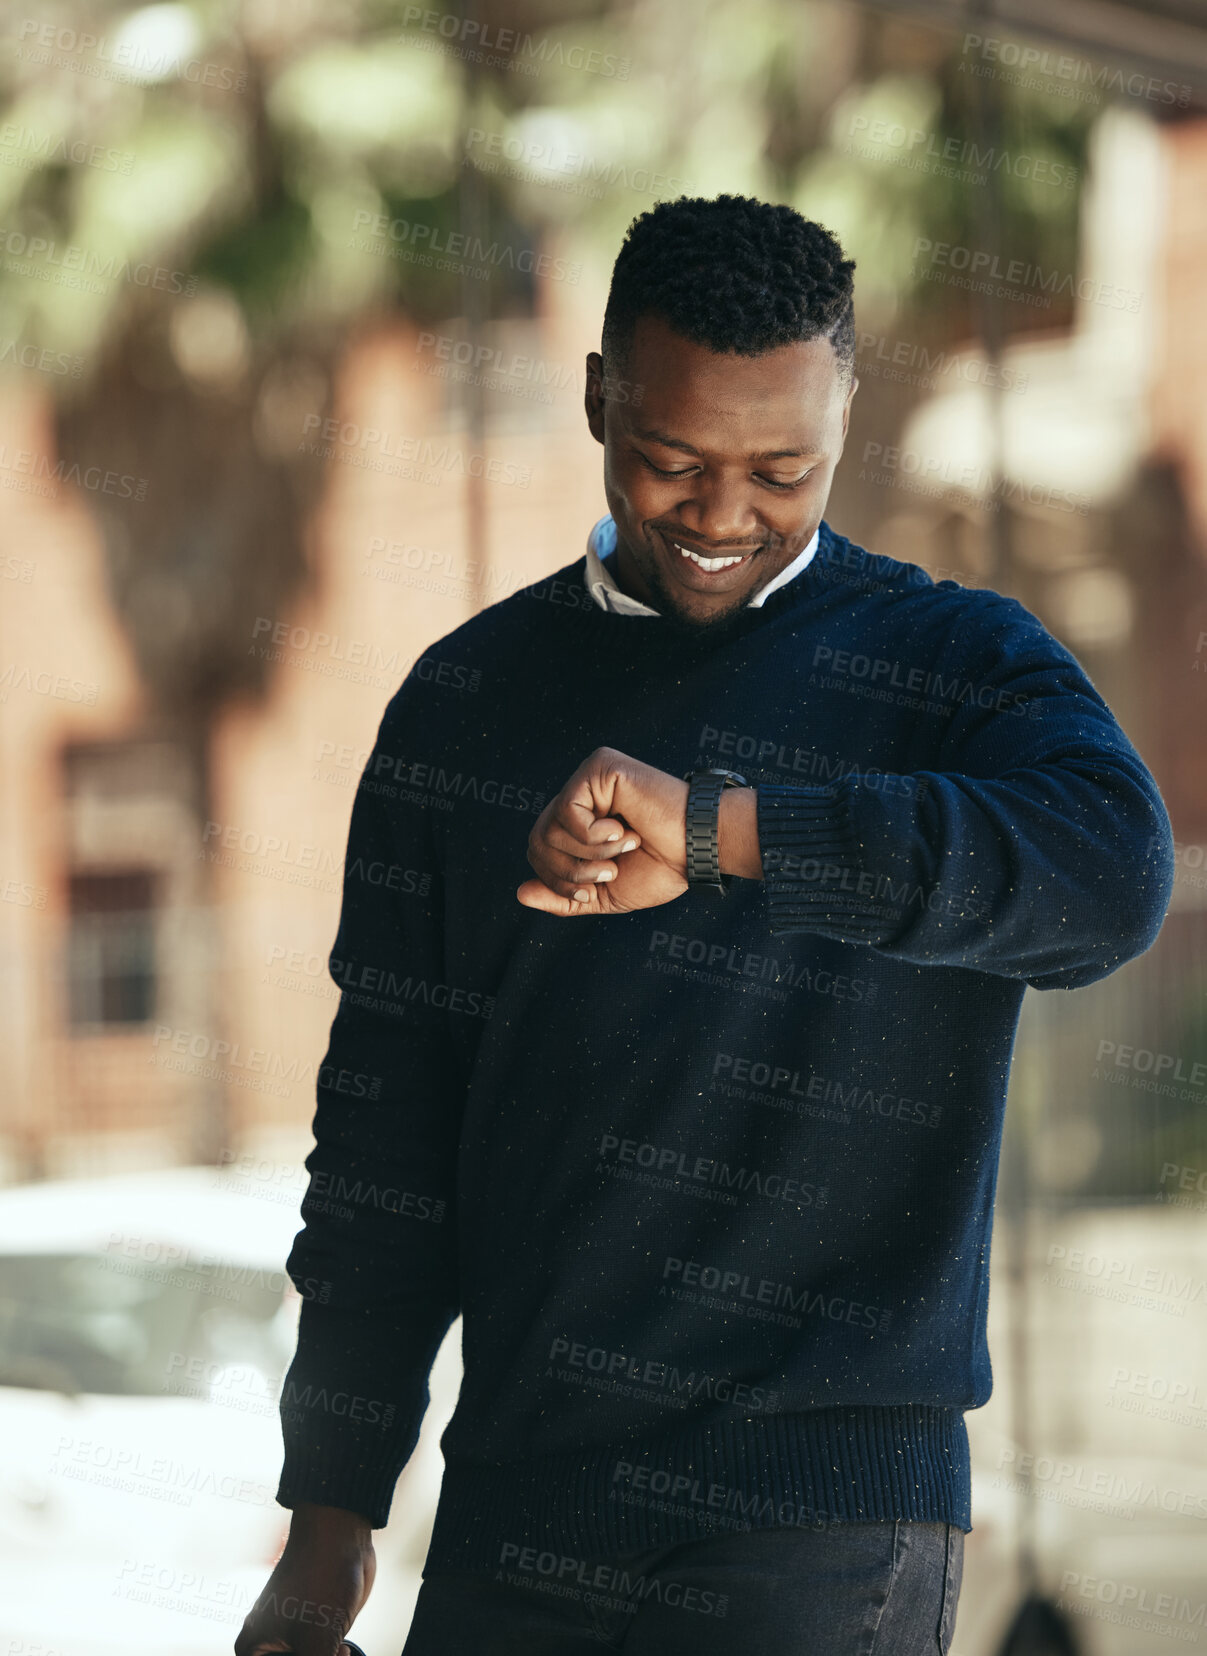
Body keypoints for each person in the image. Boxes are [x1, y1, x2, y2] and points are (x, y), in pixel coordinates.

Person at [236, 194, 1175, 1655]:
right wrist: (328, 1521)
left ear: (846, 417)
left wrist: (729, 834)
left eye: (780, 469)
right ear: (602, 393)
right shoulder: (463, 700)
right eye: (672, 462)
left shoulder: (958, 665)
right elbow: (384, 1149)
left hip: (819, 1524)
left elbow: (1112, 878)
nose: (725, 514)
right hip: (512, 1516)